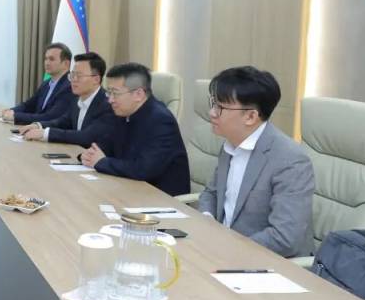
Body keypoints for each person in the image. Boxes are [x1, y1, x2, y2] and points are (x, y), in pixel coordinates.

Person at [197, 67, 314, 257]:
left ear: (251, 116)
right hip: (223, 251)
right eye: (213, 103)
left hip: (266, 261)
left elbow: (285, 238)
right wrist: (207, 220)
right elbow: (211, 193)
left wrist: (228, 247)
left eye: (220, 107)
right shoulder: (231, 143)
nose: (212, 113)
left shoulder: (291, 160)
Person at [80, 63, 190, 196]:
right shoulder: (123, 112)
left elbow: (143, 169)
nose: (110, 100)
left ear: (138, 94)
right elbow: (106, 146)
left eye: (115, 93)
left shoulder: (161, 121)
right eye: (109, 92)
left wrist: (102, 162)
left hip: (159, 197)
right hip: (129, 187)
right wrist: (88, 155)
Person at [18, 52, 119, 150]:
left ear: (96, 79)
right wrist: (38, 125)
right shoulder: (76, 99)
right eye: (72, 75)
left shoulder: (107, 104)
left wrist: (45, 133)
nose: (74, 80)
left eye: (79, 76)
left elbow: (87, 136)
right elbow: (62, 122)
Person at [3, 42, 75, 125]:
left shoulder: (69, 86)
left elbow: (50, 117)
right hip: (35, 129)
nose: (47, 63)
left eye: (51, 59)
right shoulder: (46, 84)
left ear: (66, 64)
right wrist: (11, 111)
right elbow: (29, 105)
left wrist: (15, 116)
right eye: (46, 59)